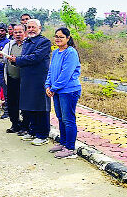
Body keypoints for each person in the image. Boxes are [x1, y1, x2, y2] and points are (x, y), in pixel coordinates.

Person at [7, 19, 51, 146]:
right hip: (26, 79)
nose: (31, 29)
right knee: (29, 106)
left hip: (39, 79)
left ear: (39, 28)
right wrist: (14, 60)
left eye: (33, 27)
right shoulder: (27, 42)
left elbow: (35, 57)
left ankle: (43, 134)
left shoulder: (44, 42)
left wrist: (18, 60)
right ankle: (32, 131)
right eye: (29, 27)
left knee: (41, 107)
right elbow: (25, 58)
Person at [45, 27, 81, 159]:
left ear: (68, 38)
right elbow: (50, 71)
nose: (58, 39)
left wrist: (53, 88)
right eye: (56, 36)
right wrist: (47, 85)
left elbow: (66, 74)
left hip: (69, 91)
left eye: (61, 37)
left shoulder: (70, 53)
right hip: (57, 90)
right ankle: (63, 143)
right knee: (60, 118)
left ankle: (70, 148)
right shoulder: (55, 53)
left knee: (68, 119)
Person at [0, 24, 26, 133]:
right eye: (16, 32)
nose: (18, 34)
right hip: (11, 78)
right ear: (12, 33)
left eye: (20, 32)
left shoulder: (28, 45)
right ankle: (15, 124)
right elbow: (2, 59)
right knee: (12, 102)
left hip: (24, 80)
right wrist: (1, 56)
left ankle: (25, 126)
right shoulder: (10, 45)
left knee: (24, 103)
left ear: (25, 32)